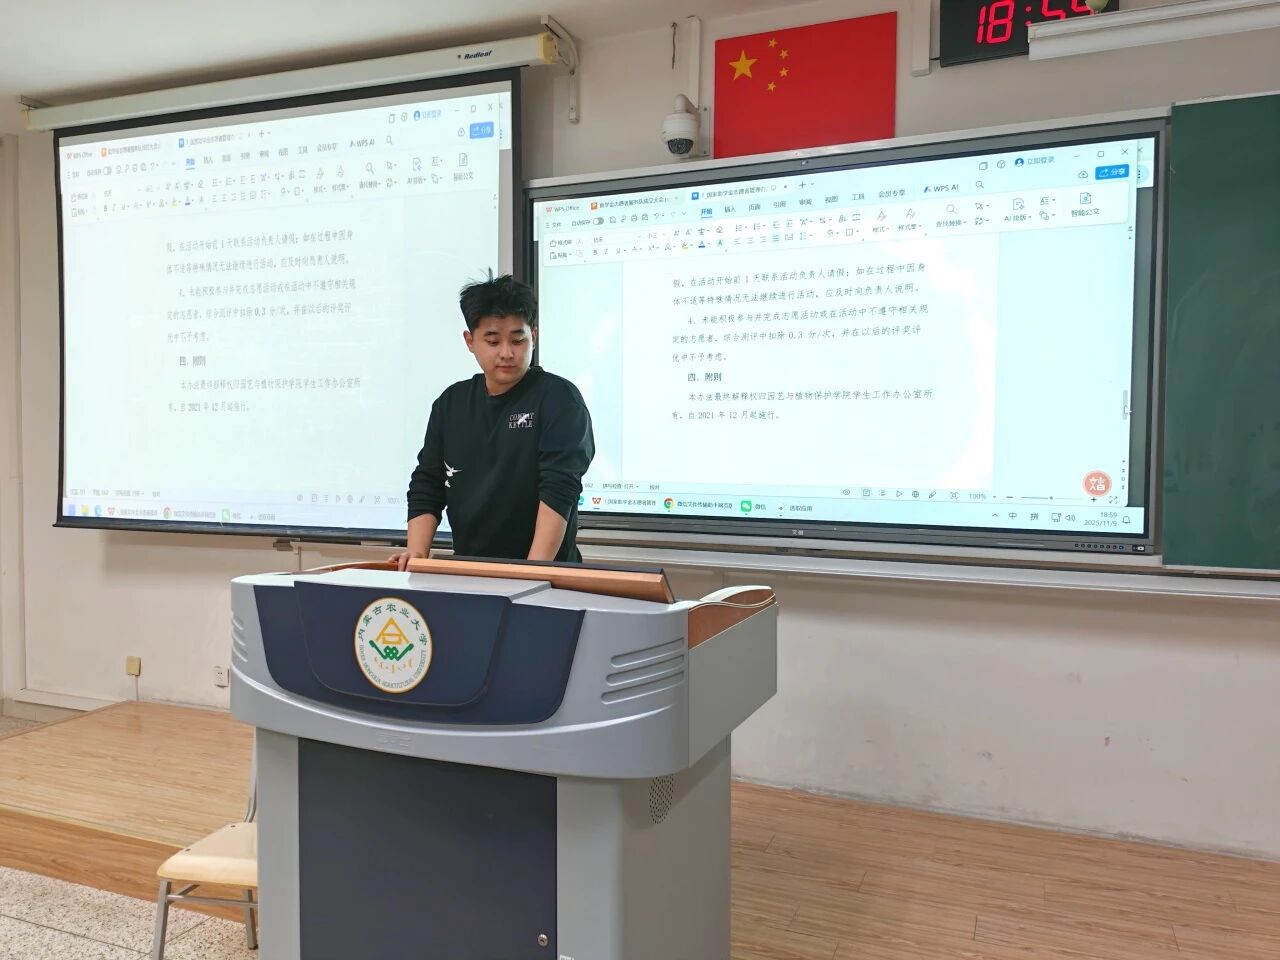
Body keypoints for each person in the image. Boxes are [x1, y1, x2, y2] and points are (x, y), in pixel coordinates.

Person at [390, 275, 594, 569]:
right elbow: (427, 484)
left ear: (534, 336)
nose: (507, 353)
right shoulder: (451, 403)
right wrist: (417, 555)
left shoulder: (559, 399)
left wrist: (532, 571)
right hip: (470, 572)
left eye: (518, 340)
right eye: (493, 341)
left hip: (547, 576)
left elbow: (560, 489)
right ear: (470, 341)